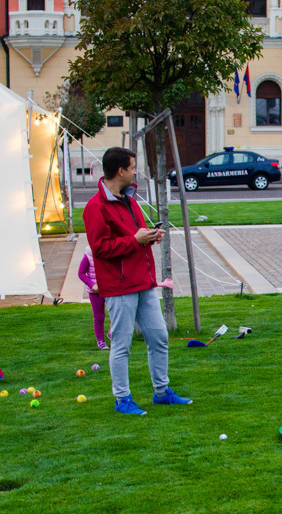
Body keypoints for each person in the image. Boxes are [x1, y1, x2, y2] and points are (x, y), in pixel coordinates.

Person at [82, 147, 192, 415]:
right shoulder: (95, 207)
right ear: (120, 171)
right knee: (122, 344)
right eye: (132, 167)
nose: (136, 172)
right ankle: (122, 400)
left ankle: (162, 392)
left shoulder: (129, 200)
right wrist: (135, 240)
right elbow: (100, 249)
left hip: (143, 282)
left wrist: (149, 236)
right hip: (119, 288)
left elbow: (134, 236)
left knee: (159, 336)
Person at [77, 245, 109, 350]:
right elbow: (81, 273)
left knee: (117, 313)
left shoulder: (110, 251)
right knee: (99, 316)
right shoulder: (88, 255)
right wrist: (92, 285)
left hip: (110, 289)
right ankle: (100, 340)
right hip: (95, 292)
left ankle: (112, 333)